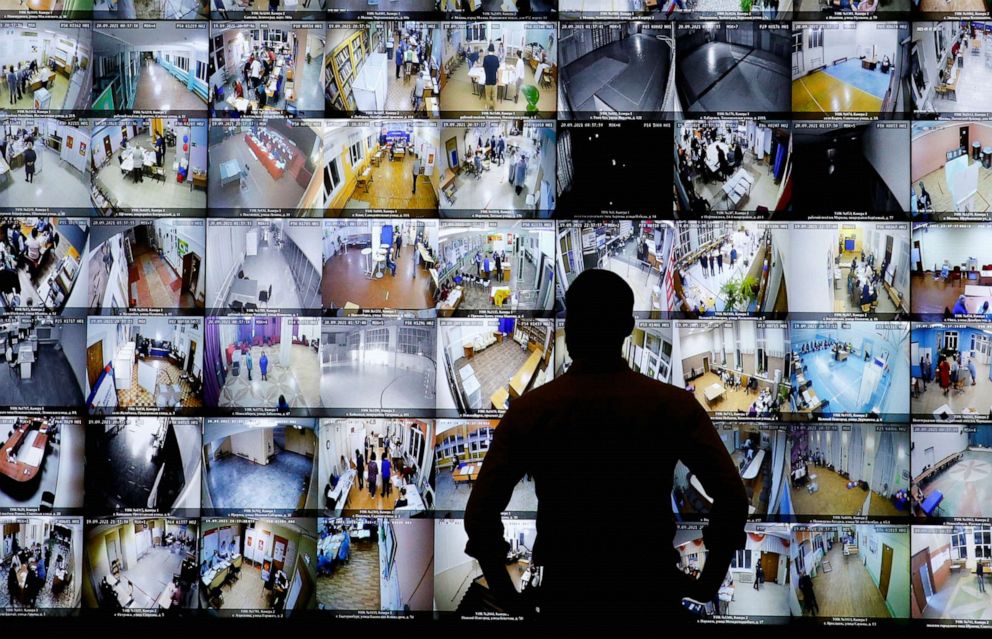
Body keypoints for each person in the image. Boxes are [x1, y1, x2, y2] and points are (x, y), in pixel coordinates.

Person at [463, 269, 749, 620]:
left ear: (570, 327)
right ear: (628, 327)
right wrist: (705, 585)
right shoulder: (673, 406)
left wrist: (508, 598)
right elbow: (734, 498)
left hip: (566, 601)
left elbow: (479, 515)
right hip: (650, 599)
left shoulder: (529, 411)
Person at [483, 44, 500, 111]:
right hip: (494, 81)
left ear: (488, 50)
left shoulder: (485, 58)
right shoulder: (496, 58)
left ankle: (487, 107)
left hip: (487, 81)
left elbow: (484, 69)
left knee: (487, 96)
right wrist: (497, 78)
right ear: (493, 50)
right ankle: (494, 108)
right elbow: (497, 70)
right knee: (494, 96)